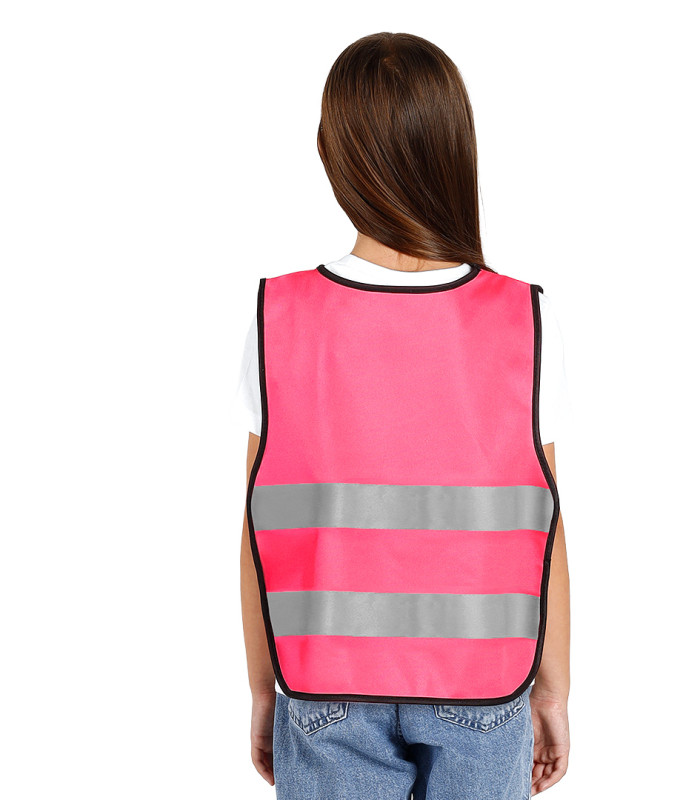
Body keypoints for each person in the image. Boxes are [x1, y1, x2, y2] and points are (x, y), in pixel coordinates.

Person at [236, 32, 571, 799]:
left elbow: (256, 530)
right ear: (455, 147)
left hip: (322, 684)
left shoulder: (277, 314)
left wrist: (262, 688)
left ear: (332, 152)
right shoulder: (525, 317)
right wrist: (552, 691)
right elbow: (546, 529)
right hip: (486, 683)